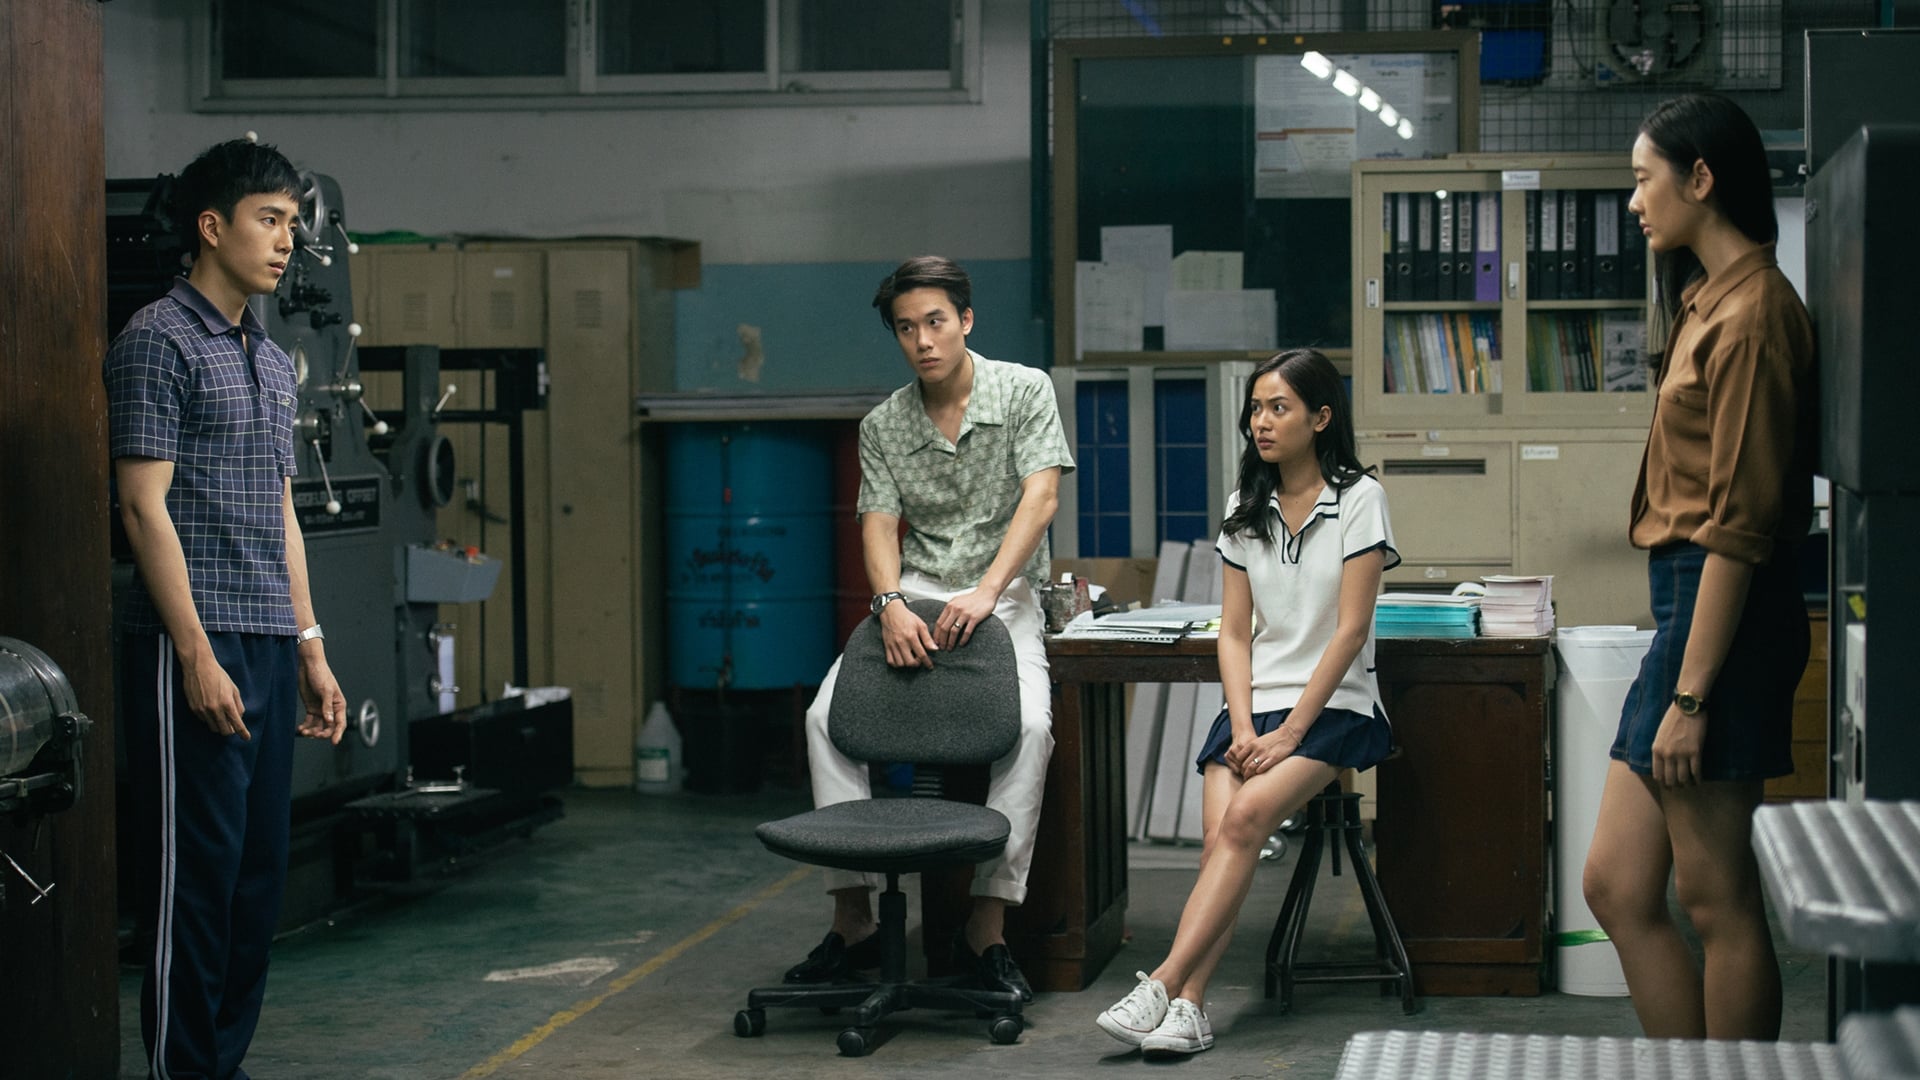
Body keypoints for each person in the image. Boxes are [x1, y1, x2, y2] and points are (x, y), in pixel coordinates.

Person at [107, 138, 348, 1079]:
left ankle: (222, 1064)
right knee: (195, 878)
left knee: (255, 880)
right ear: (212, 227)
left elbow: (280, 512)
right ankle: (182, 1070)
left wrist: (310, 646)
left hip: (267, 640)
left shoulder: (273, 359)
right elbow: (142, 506)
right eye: (269, 220)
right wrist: (195, 654)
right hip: (191, 646)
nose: (286, 241)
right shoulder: (157, 340)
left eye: (291, 223)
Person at [1581, 94, 1817, 1041]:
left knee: (1716, 899)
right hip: (1689, 609)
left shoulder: (1754, 314)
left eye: (1645, 180)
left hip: (1725, 615)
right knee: (1615, 883)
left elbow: (1740, 528)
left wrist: (1691, 696)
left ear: (1702, 179)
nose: (1634, 201)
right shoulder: (1706, 299)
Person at [783, 255, 1073, 1003]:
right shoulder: (884, 423)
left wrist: (988, 591)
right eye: (907, 328)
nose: (923, 340)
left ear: (965, 320)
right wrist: (888, 603)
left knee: (1031, 731)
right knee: (822, 720)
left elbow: (1040, 498)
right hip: (912, 595)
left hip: (1002, 595)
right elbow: (878, 522)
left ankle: (988, 921)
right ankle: (853, 916)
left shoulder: (1024, 390)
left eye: (936, 322)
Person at [1096, 348, 1398, 1057]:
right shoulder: (1243, 506)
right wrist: (1240, 724)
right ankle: (1192, 1009)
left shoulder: (1360, 498)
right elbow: (1233, 633)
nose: (1261, 421)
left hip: (1334, 708)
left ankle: (1163, 983)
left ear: (1320, 418)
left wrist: (1289, 734)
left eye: (1278, 408)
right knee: (1220, 844)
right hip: (1254, 705)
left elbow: (1351, 631)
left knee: (1242, 822)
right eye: (1256, 408)